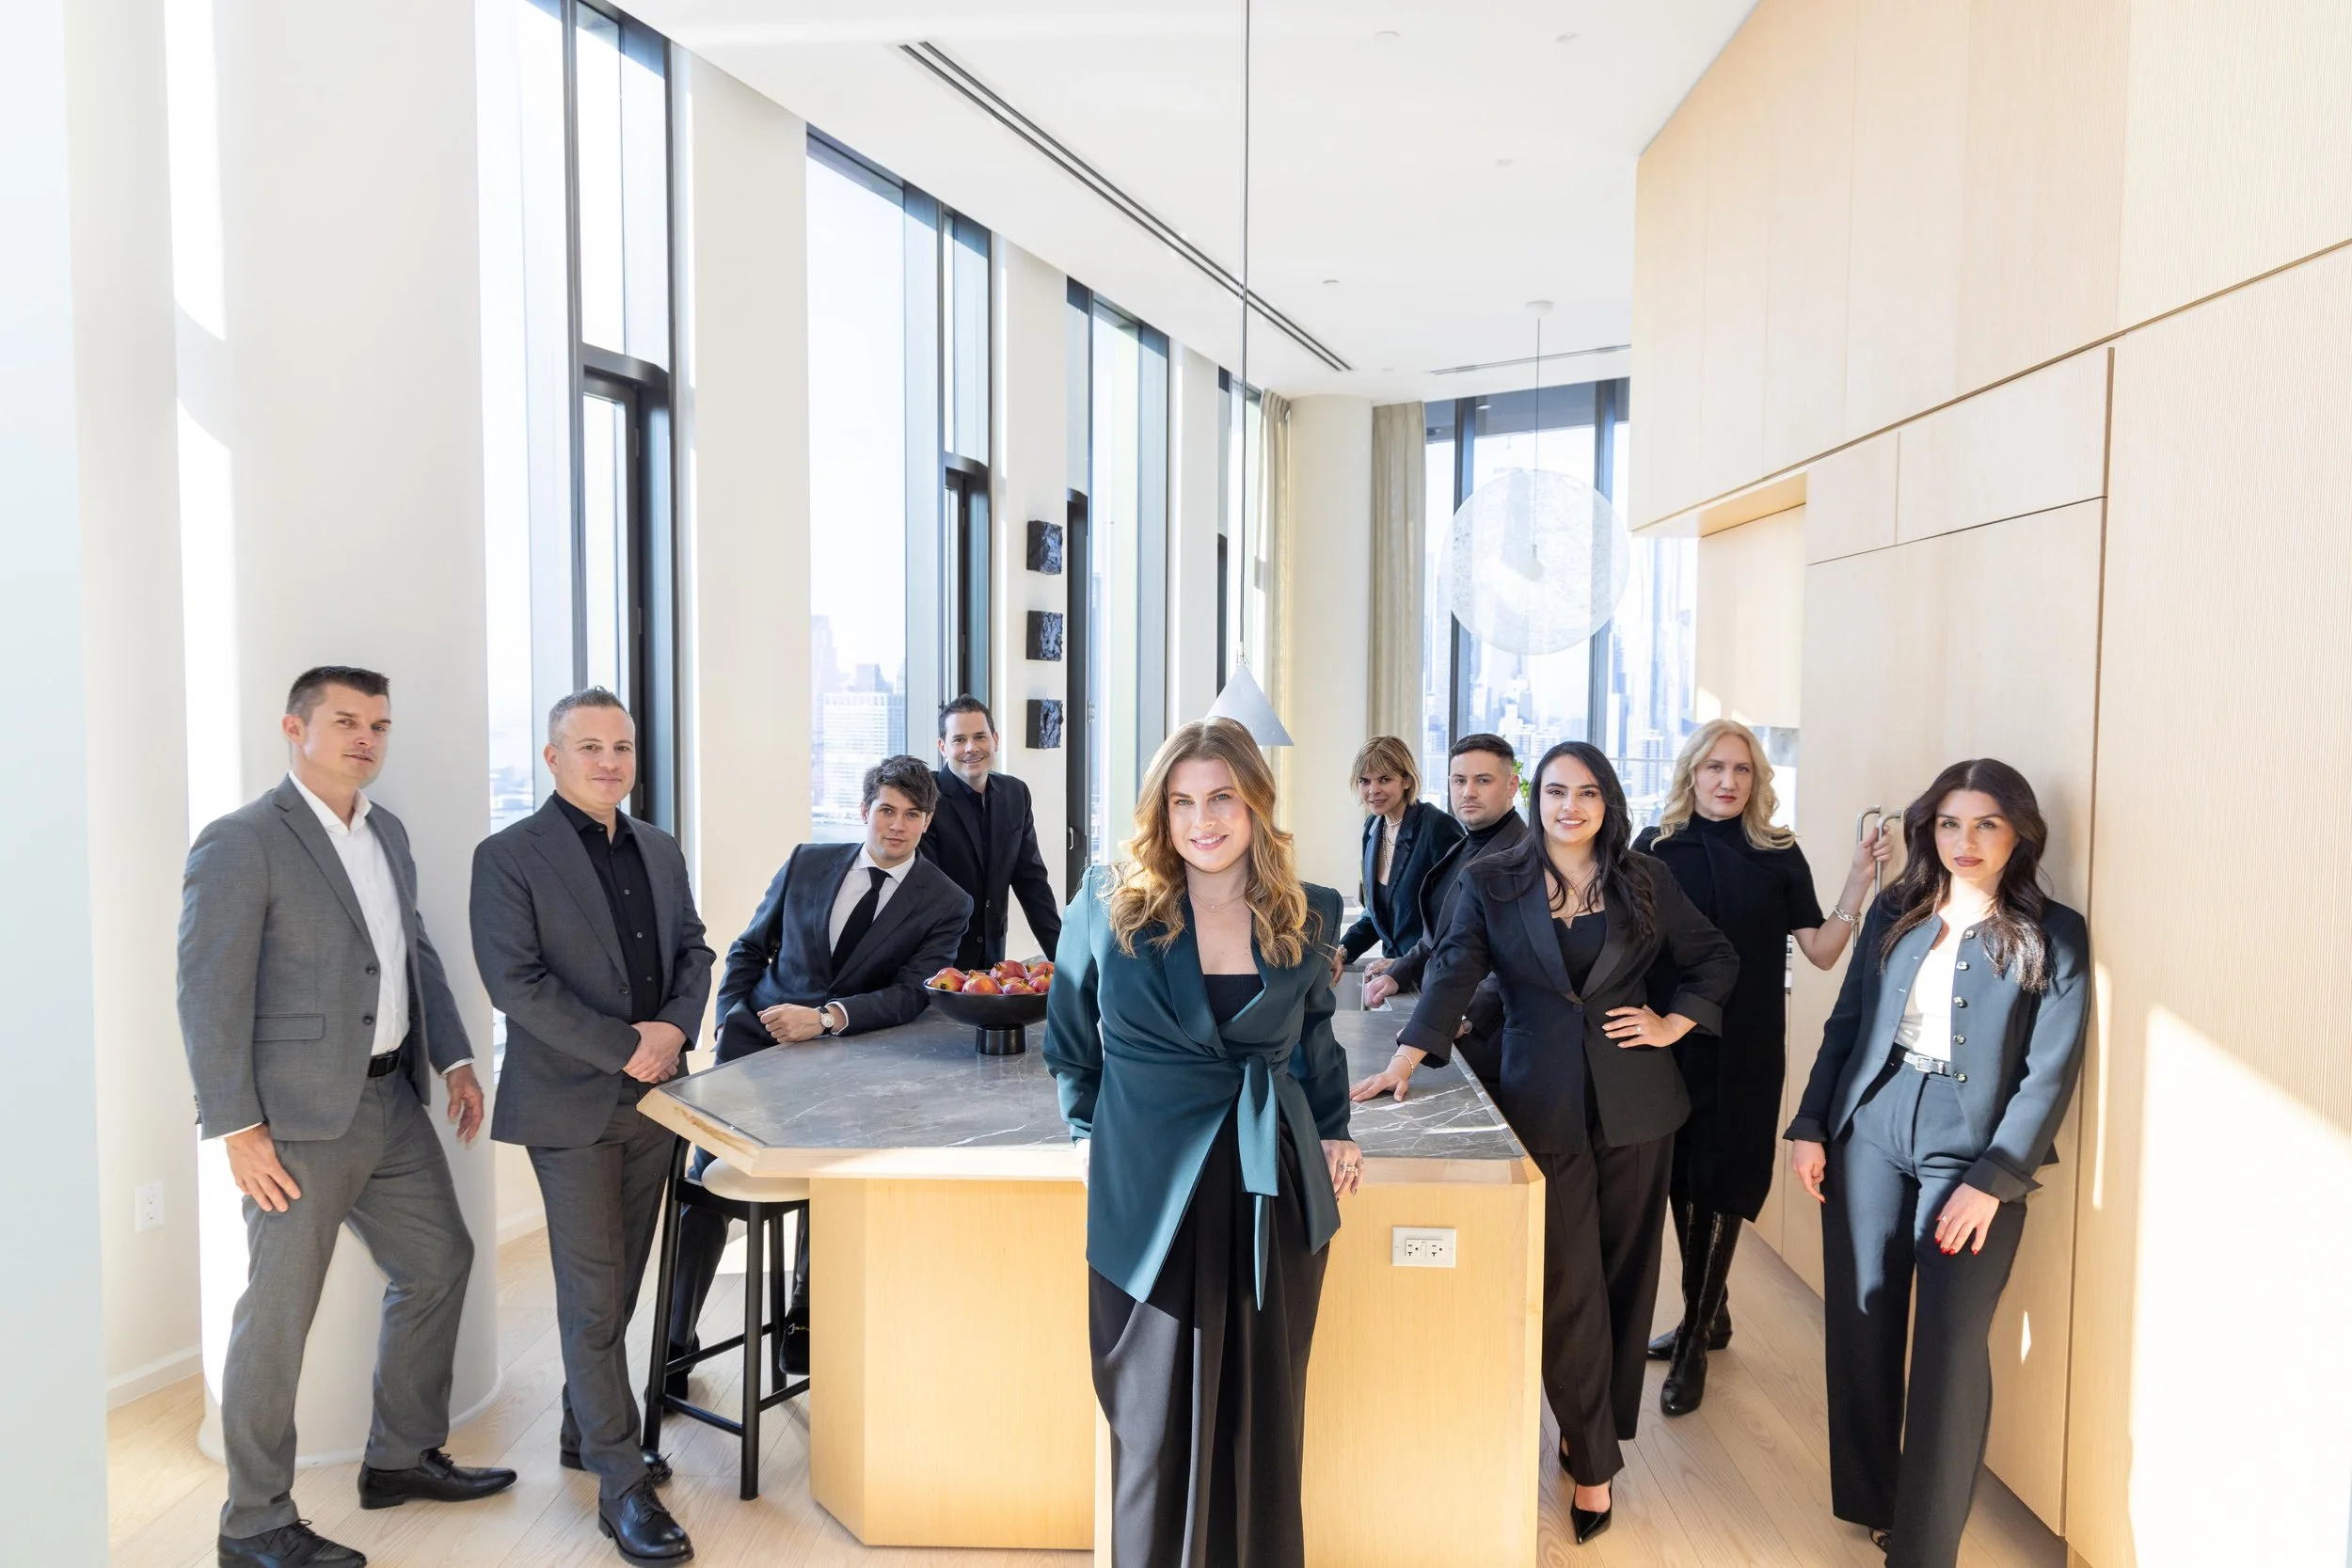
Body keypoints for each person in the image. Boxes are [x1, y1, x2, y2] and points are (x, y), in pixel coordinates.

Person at [1349, 741, 1736, 1545]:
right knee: (1568, 1284)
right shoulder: (1496, 878)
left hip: (1638, 1107)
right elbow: (1455, 969)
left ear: (1607, 801)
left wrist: (1673, 1022)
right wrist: (1404, 1060)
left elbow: (1714, 957)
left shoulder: (1643, 877)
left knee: (1626, 1281)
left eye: (1587, 792)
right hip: (1542, 1103)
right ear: (1538, 797)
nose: (1570, 806)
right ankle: (1593, 1461)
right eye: (1557, 791)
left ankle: (1594, 1428)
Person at [179, 666, 514, 1568]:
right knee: (278, 1316)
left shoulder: (386, 831)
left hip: (391, 1101)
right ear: (295, 728)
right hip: (294, 1123)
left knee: (439, 1260)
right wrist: (236, 1127)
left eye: (379, 724)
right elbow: (207, 992)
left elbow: (412, 951)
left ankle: (399, 1456)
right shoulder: (243, 840)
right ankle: (254, 1521)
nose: (366, 737)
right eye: (346, 720)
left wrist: (454, 1057)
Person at [1045, 718, 1359, 1568]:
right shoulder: (1107, 898)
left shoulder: (1310, 911)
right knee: (1151, 1424)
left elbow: (1315, 1039)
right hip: (1147, 1182)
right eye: (1181, 802)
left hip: (1269, 1182)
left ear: (1255, 802)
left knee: (1262, 1418)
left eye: (1221, 798)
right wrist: (1084, 1130)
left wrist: (1335, 1128)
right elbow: (1069, 1034)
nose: (1202, 820)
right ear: (1160, 810)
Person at [1786, 760, 2089, 1568]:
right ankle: (1873, 1497)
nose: (1966, 841)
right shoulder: (1898, 908)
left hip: (1973, 1147)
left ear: (2020, 832)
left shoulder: (2055, 932)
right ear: (1929, 829)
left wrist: (1993, 1181)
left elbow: (2050, 1072)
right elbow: (1848, 1022)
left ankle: (1920, 1549)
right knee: (1862, 1318)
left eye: (1987, 824)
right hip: (1872, 1125)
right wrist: (1811, 1124)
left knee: (1950, 1348)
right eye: (1950, 823)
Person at [470, 689, 712, 1567]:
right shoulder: (508, 856)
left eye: (622, 746)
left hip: (656, 1099)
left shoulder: (659, 845)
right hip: (570, 1103)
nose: (609, 762)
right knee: (593, 1291)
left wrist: (673, 1029)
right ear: (552, 757)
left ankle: (586, 1431)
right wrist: (626, 1046)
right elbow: (516, 983)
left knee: (623, 1281)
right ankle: (620, 1482)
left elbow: (694, 950)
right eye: (589, 747)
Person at [663, 754, 971, 1385]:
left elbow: (913, 993)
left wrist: (827, 1018)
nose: (897, 825)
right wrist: (727, 1018)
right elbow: (749, 947)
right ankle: (675, 1339)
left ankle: (804, 1319)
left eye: (913, 814)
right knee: (707, 1187)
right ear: (864, 810)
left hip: (846, 1067)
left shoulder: (947, 900)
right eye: (886, 809)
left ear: (928, 821)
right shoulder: (807, 861)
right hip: (752, 1051)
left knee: (826, 1191)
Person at [1633, 719, 1890, 1414]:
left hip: (1746, 1042)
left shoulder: (1778, 853)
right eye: (1714, 767)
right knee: (1682, 1176)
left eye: (1742, 769)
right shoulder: (1653, 847)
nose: (1727, 781)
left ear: (1757, 780)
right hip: (1669, 1037)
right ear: (1691, 772)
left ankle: (1694, 1340)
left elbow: (1822, 951)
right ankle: (1710, 1311)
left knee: (1727, 1177)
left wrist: (1858, 880)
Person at [1359, 733, 1526, 1083]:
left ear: (1511, 785)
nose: (1468, 792)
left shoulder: (1523, 858)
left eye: (1483, 780)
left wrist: (1460, 1019)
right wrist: (1399, 972)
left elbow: (1512, 965)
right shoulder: (1465, 847)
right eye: (1459, 780)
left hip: (1494, 1042)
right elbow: (1437, 936)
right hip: (1445, 1023)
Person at [918, 694, 1064, 971]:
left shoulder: (1016, 793)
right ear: (942, 747)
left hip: (993, 961)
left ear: (995, 740)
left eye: (980, 737)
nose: (971, 748)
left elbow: (1032, 883)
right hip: (939, 961)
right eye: (959, 739)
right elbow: (928, 893)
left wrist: (1066, 961)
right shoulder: (926, 800)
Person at [1336, 736, 1465, 968]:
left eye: (1384, 779)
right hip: (1392, 975)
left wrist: (1405, 965)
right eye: (1365, 781)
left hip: (1433, 973)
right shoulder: (1373, 828)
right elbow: (1376, 915)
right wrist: (1343, 951)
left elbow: (1457, 920)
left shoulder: (1439, 828)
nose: (1373, 790)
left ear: (1406, 780)